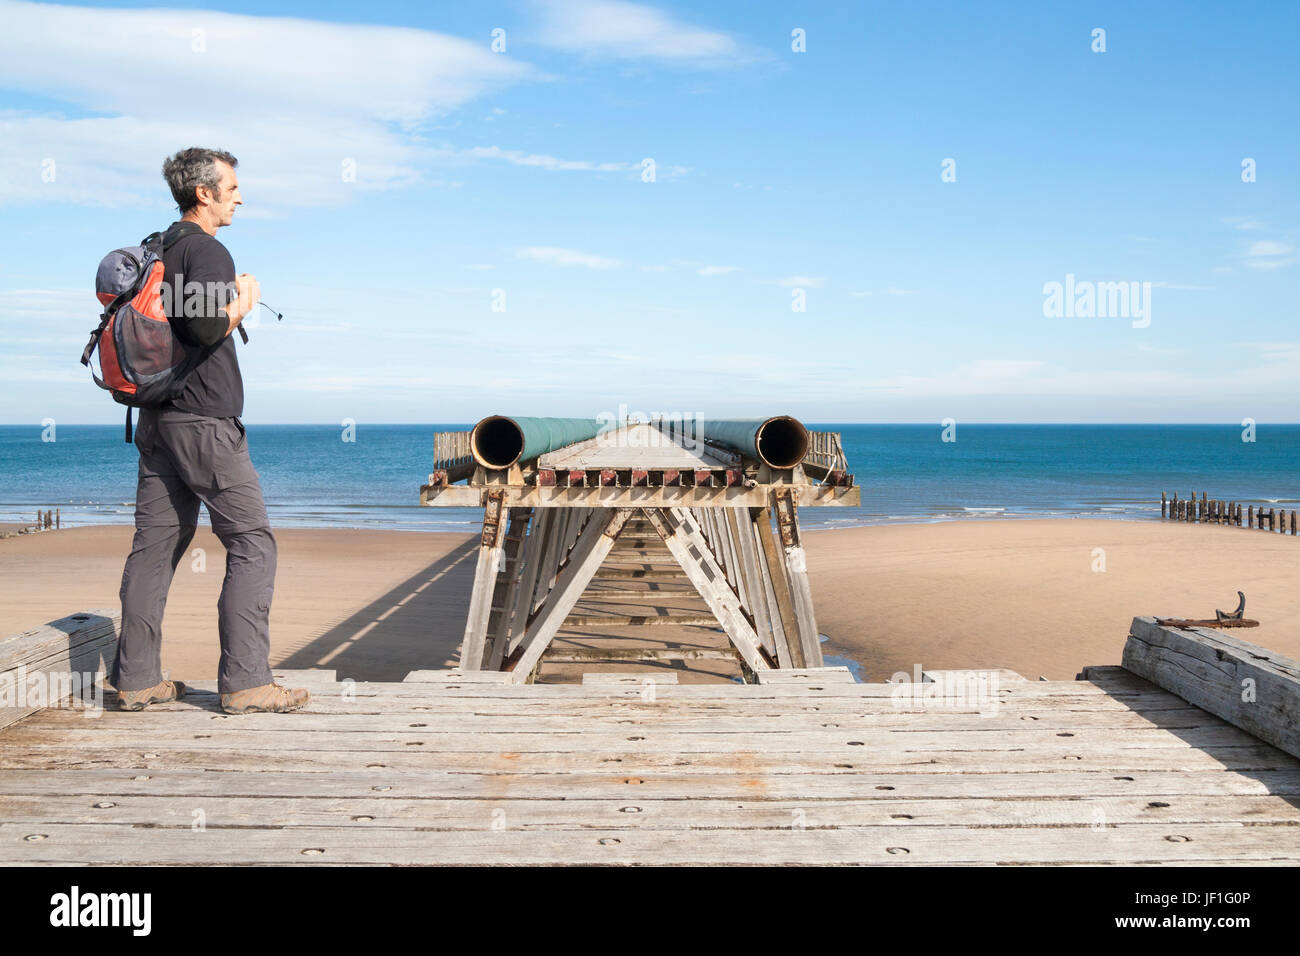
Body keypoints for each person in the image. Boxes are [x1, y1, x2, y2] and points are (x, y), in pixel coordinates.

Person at [111, 147, 308, 715]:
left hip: (157, 420)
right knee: (252, 543)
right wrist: (242, 303)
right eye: (233, 187)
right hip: (203, 423)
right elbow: (200, 329)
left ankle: (136, 679)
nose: (239, 196)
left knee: (156, 546)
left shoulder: (161, 247)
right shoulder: (206, 249)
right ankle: (247, 682)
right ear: (205, 192)